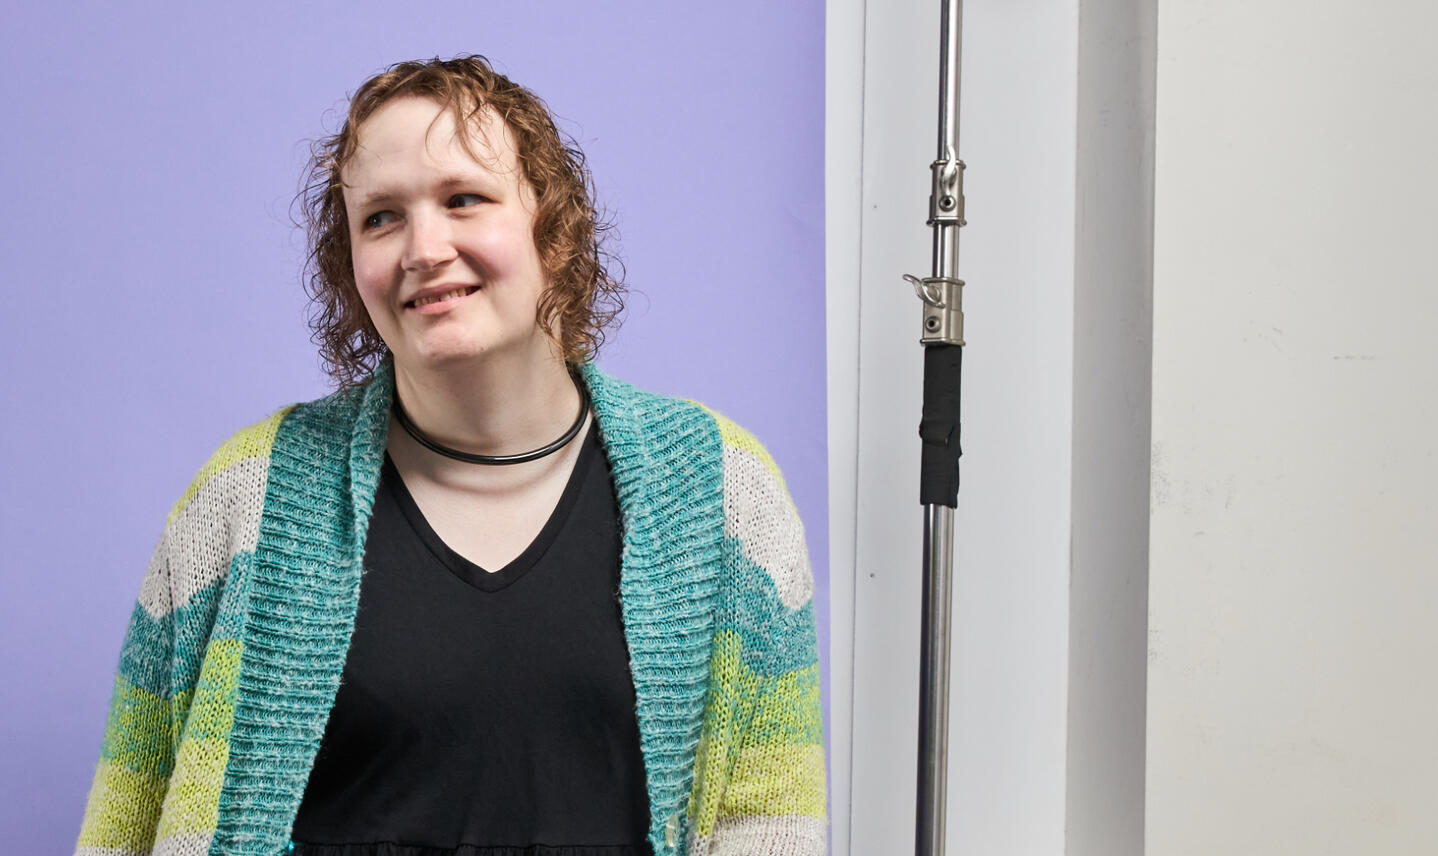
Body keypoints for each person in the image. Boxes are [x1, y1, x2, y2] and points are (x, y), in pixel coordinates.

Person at [72, 55, 825, 856]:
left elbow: (770, 816)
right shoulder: (243, 499)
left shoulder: (721, 493)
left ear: (553, 228)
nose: (423, 248)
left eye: (464, 199)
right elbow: (128, 806)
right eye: (381, 217)